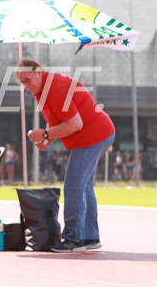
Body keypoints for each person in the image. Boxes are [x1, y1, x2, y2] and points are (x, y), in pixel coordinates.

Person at [17, 59, 115, 253]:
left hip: (93, 135)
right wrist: (48, 139)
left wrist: (45, 134)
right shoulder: (43, 89)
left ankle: (73, 240)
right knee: (84, 187)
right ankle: (90, 237)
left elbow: (75, 124)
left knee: (74, 185)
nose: (27, 86)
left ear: (38, 71)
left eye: (28, 79)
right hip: (99, 133)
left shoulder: (53, 89)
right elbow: (57, 119)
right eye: (23, 83)